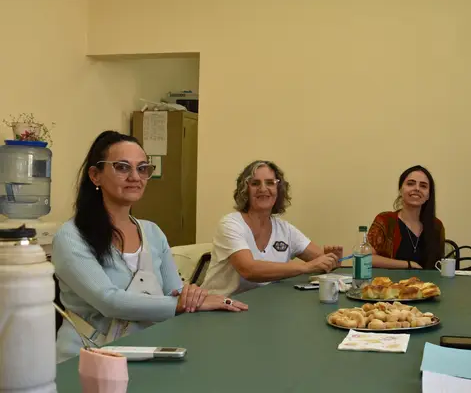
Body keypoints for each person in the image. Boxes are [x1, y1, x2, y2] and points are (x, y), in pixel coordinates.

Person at [53, 131, 247, 362]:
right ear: (95, 175)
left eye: (142, 168)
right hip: (88, 358)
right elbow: (109, 302)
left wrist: (192, 296)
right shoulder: (71, 236)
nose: (135, 176)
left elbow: (174, 292)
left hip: (147, 350)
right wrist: (183, 302)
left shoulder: (152, 232)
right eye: (122, 167)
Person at [201, 160, 343, 296]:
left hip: (261, 305)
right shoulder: (230, 224)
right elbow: (249, 270)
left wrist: (333, 260)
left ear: (278, 189)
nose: (263, 189)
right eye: (255, 183)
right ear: (245, 190)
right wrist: (307, 267)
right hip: (220, 305)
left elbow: (320, 260)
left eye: (270, 183)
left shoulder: (285, 230)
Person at [368, 165, 445, 270]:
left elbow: (439, 265)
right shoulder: (385, 220)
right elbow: (366, 258)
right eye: (410, 184)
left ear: (428, 195)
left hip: (427, 281)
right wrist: (408, 264)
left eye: (423, 186)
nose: (417, 188)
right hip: (389, 280)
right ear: (400, 190)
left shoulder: (437, 226)